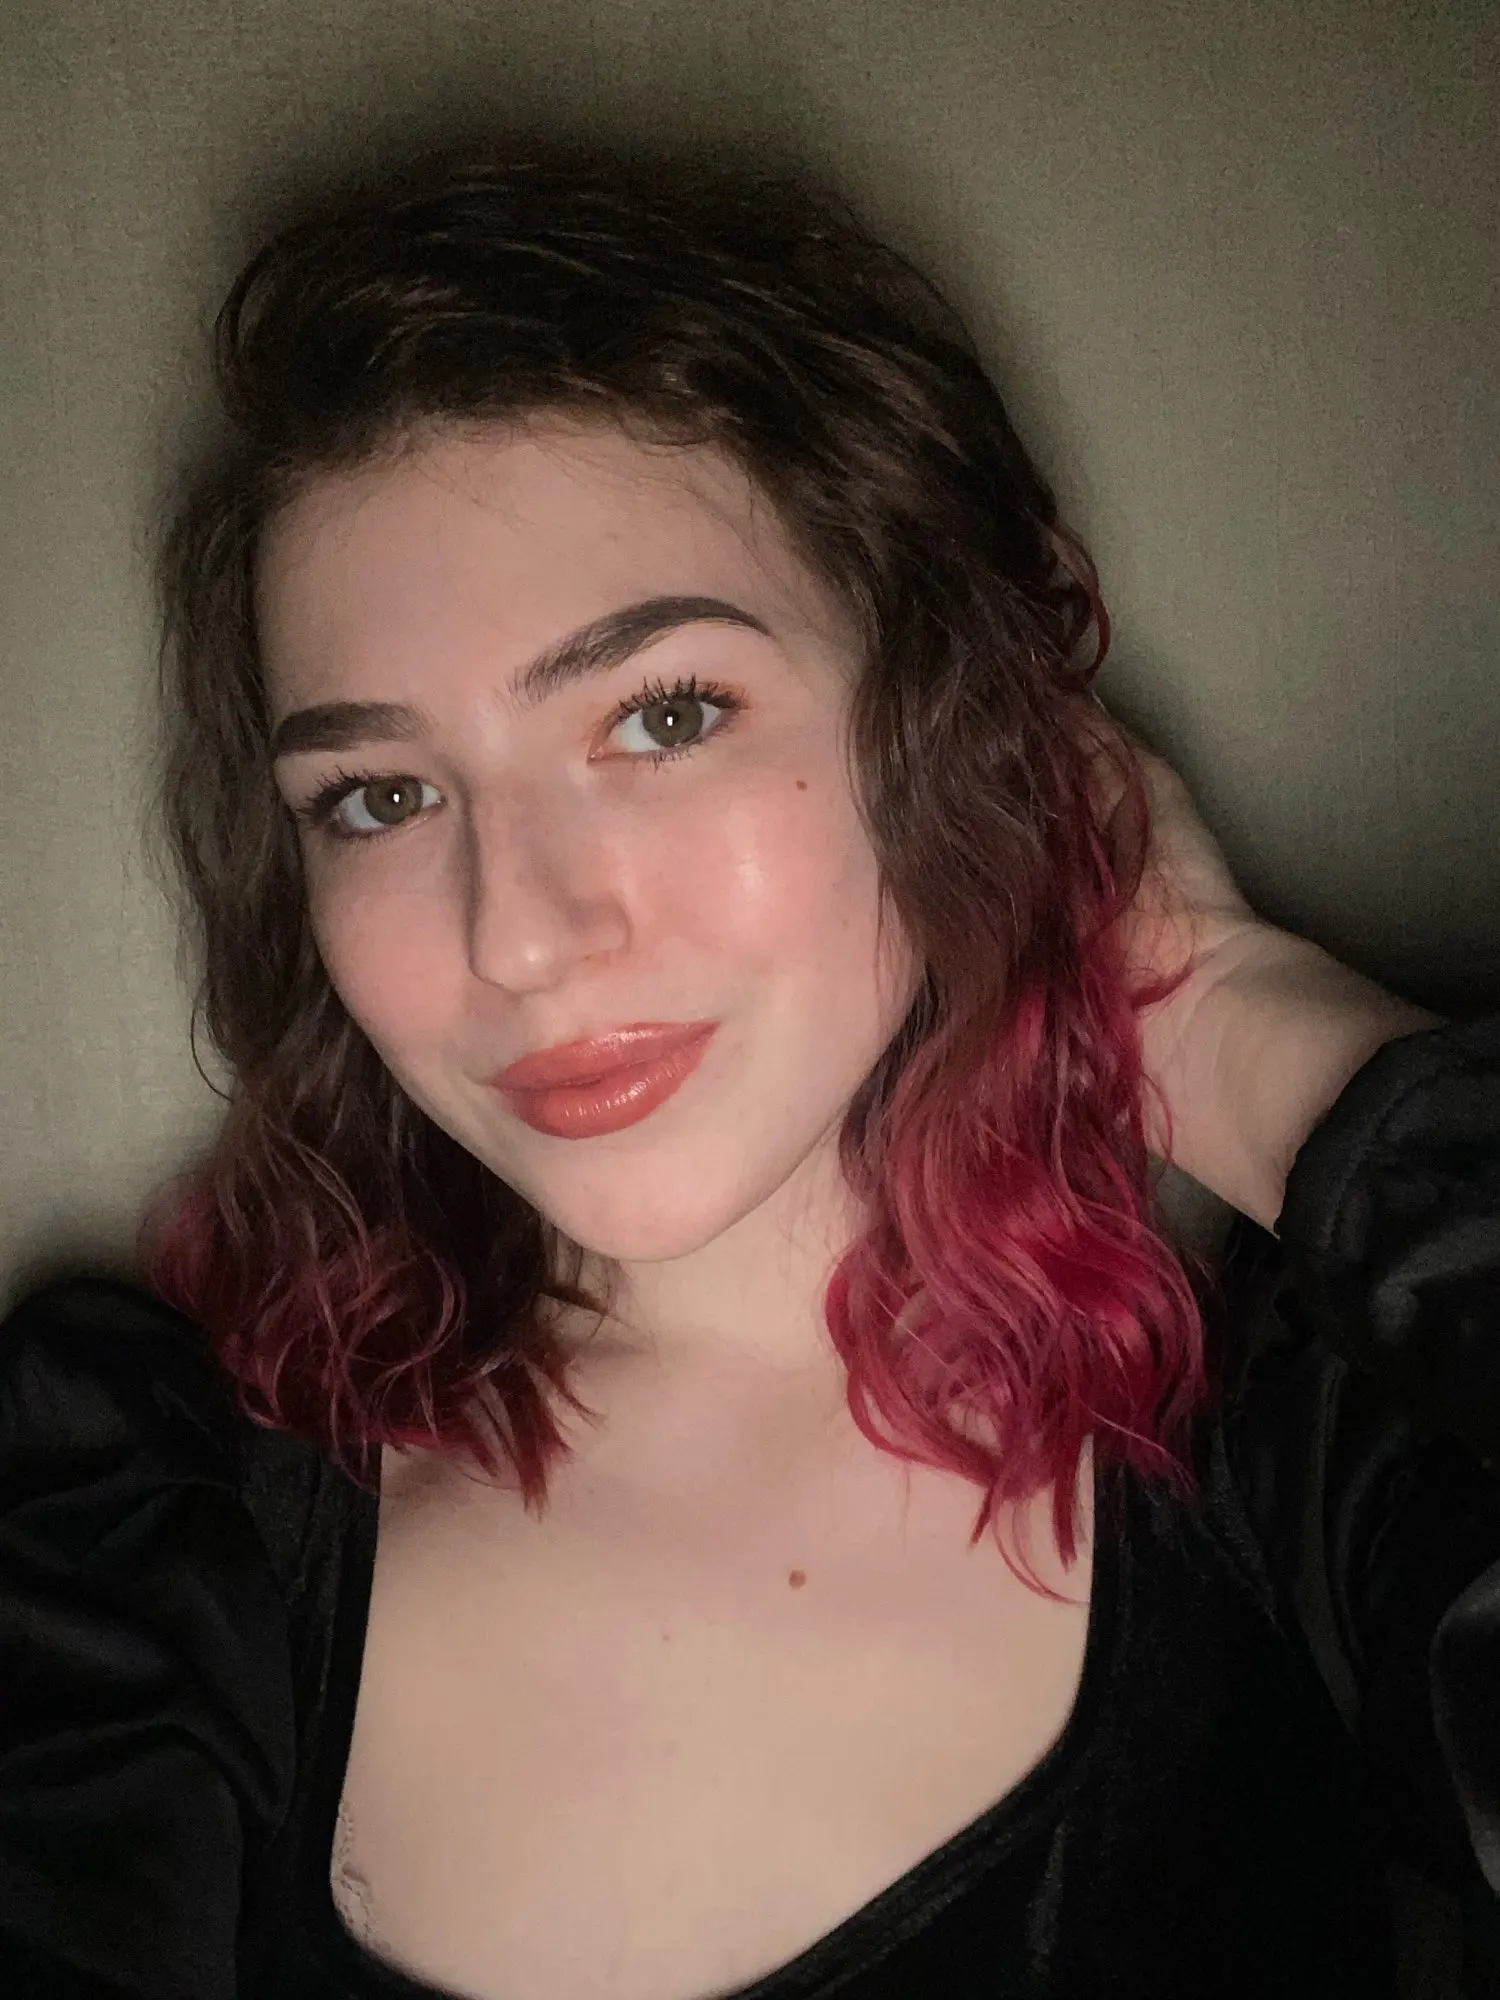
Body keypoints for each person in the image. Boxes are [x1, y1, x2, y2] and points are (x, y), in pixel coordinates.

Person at [0, 148, 1495, 2000]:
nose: (520, 933)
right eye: (378, 796)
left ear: (945, 721)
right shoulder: (138, 1542)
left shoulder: (1310, 1464)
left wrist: (1245, 1027)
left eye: (664, 713)